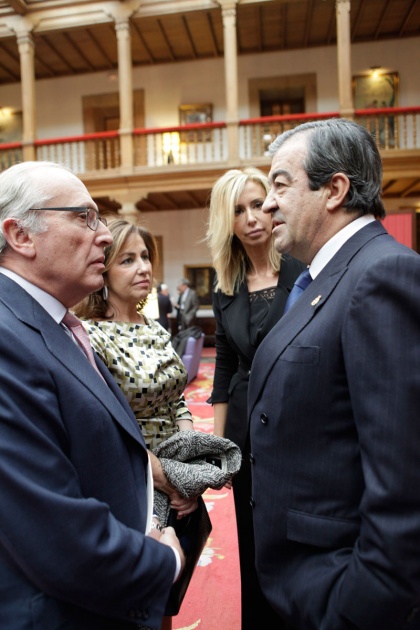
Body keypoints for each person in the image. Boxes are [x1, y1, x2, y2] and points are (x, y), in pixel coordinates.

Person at [248, 118, 420, 630]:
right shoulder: (324, 277)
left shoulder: (382, 274)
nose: (267, 204)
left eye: (281, 184)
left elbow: (404, 480)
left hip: (336, 593)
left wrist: (357, 606)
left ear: (335, 190)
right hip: (300, 580)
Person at [0, 161, 185, 630]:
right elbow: (53, 532)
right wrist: (164, 563)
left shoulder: (52, 322)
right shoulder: (7, 336)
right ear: (21, 236)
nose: (104, 235)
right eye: (84, 218)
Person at [74, 219, 197, 630]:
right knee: (138, 600)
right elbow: (104, 423)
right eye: (127, 260)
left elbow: (178, 397)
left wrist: (190, 461)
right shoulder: (90, 337)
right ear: (104, 273)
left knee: (169, 593)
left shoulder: (155, 328)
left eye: (145, 257)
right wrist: (165, 477)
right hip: (131, 479)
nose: (143, 267)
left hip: (175, 474)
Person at [205, 167, 305, 630]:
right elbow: (224, 369)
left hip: (298, 419)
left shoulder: (305, 270)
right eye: (238, 210)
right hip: (246, 429)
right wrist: (220, 449)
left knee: (298, 535)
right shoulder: (225, 286)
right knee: (251, 536)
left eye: (256, 203)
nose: (251, 218)